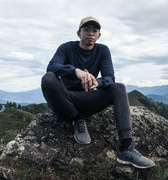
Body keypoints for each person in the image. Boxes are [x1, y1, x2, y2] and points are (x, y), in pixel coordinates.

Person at [41, 17, 155, 169]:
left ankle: (126, 148)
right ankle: (77, 119)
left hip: (87, 98)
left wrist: (96, 82)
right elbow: (52, 66)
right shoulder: (66, 48)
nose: (90, 33)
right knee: (48, 78)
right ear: (78, 33)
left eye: (94, 30)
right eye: (86, 29)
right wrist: (76, 71)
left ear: (99, 35)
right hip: (65, 100)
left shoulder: (102, 50)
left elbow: (109, 78)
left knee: (118, 87)